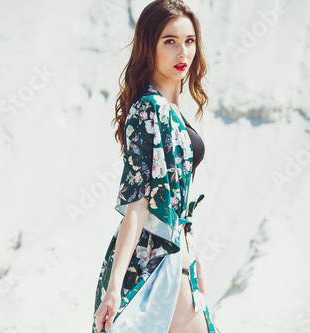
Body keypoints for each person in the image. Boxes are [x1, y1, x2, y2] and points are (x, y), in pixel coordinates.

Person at [92, 1, 220, 332]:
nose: (183, 52)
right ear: (150, 44)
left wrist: (195, 259)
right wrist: (114, 287)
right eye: (170, 41)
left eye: (190, 40)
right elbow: (138, 202)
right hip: (154, 262)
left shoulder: (171, 109)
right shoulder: (148, 111)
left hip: (179, 259)